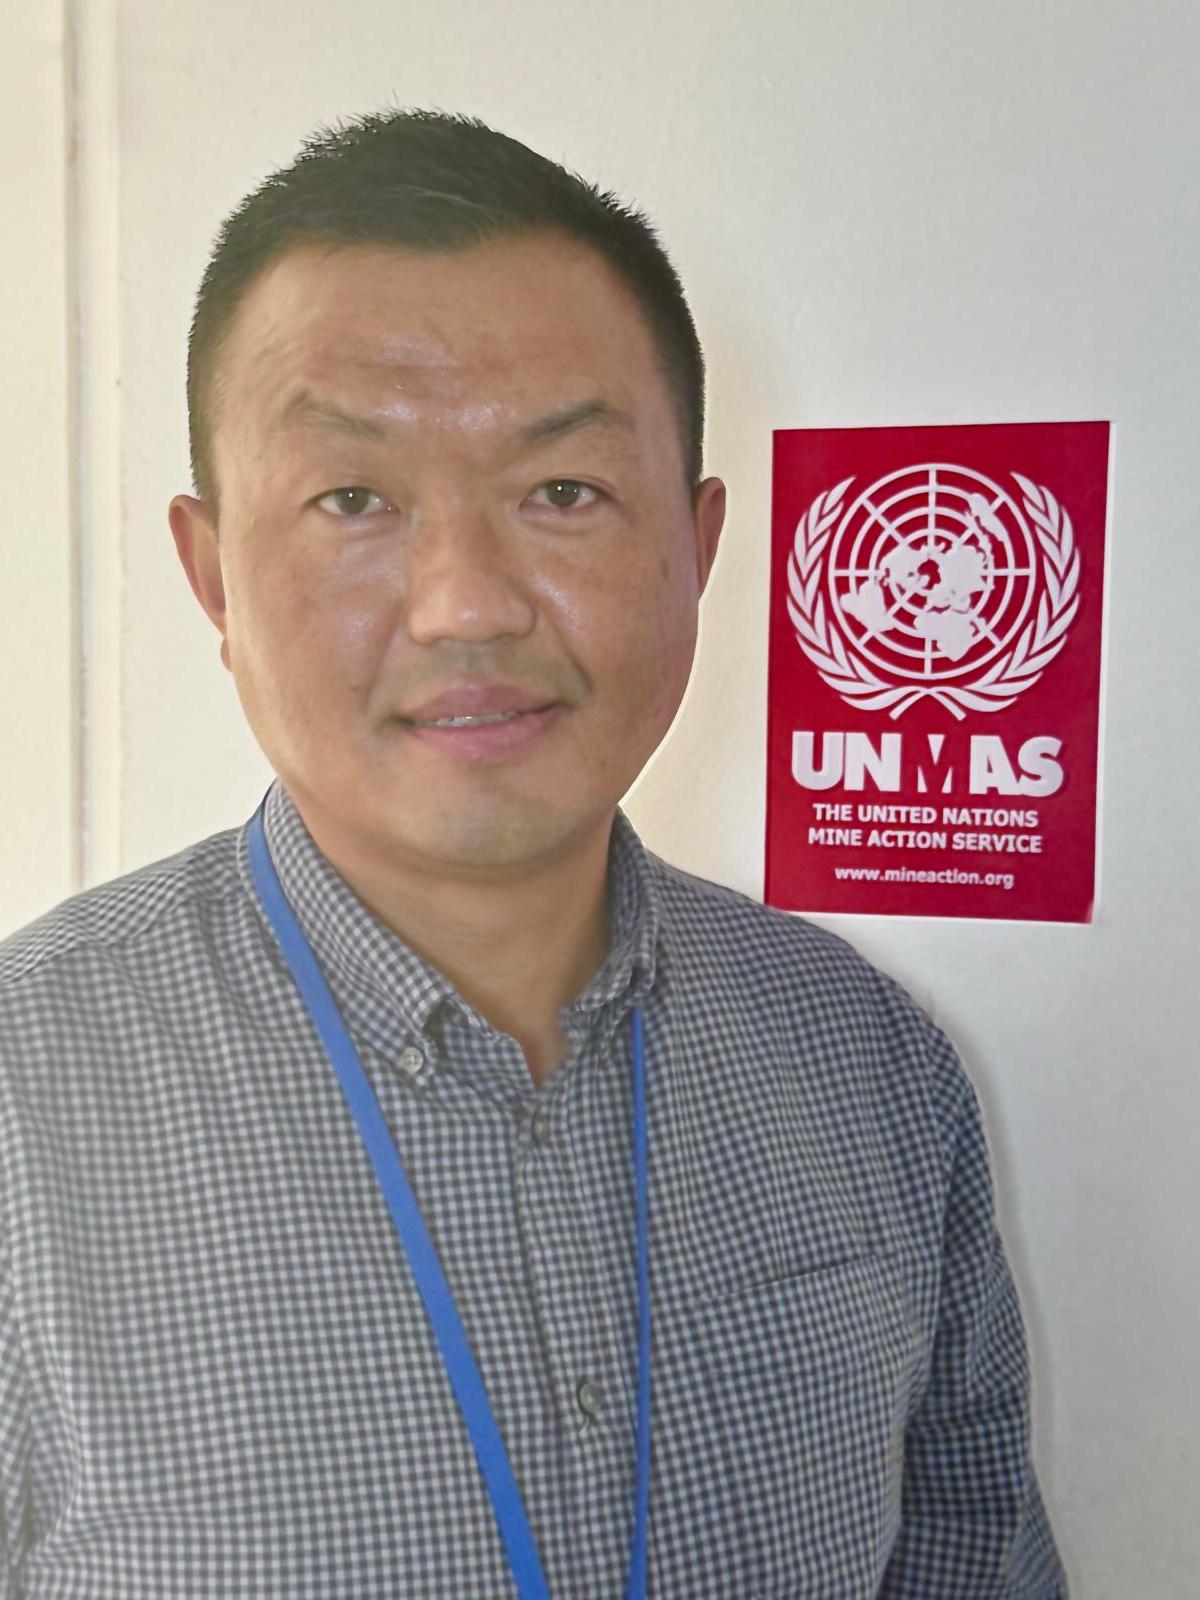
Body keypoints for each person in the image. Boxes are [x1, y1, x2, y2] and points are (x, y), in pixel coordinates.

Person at [0, 107, 1069, 1598]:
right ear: (213, 572)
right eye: (353, 499)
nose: (467, 605)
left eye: (562, 492)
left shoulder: (867, 1067)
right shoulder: (23, 1107)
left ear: (696, 553)